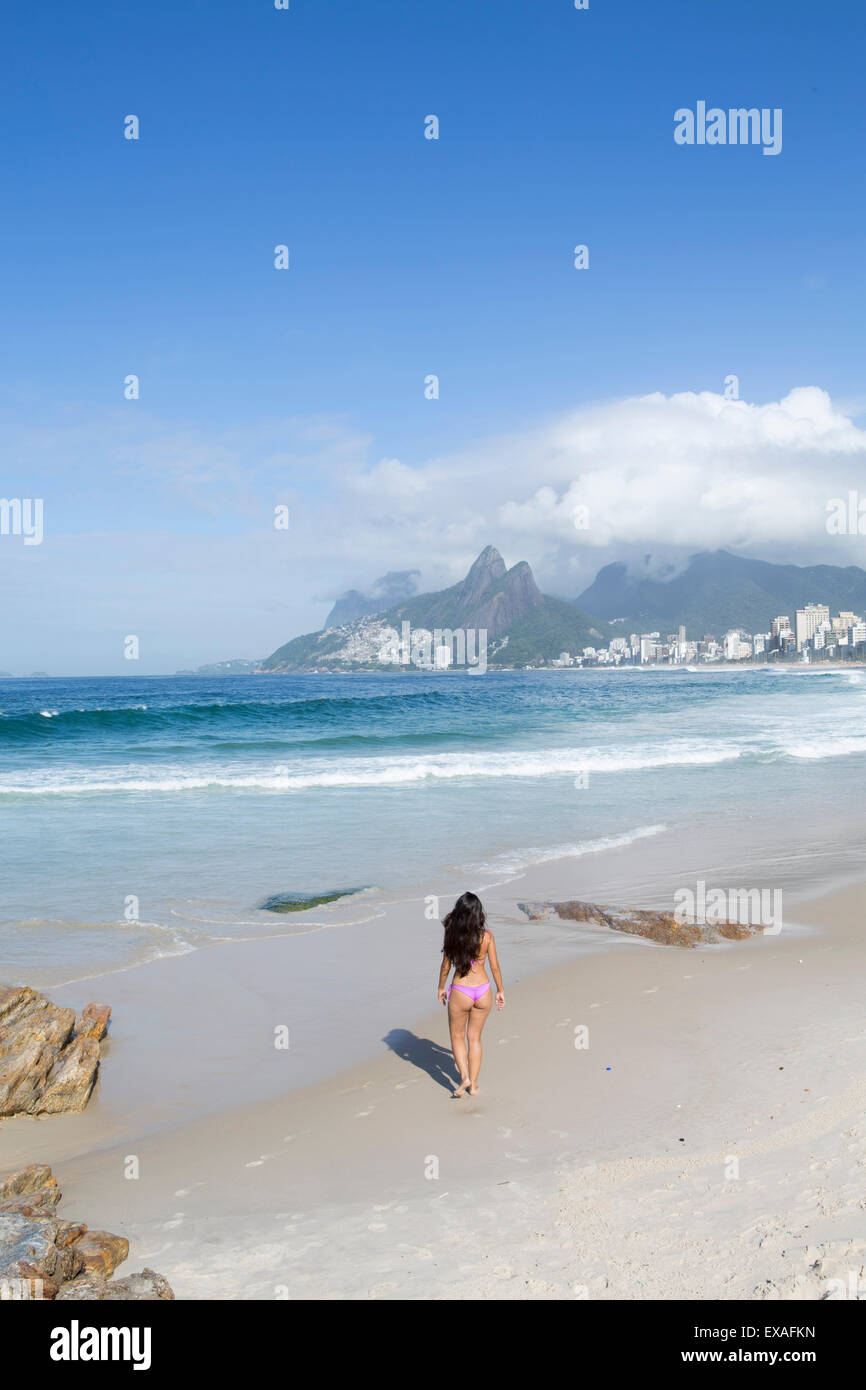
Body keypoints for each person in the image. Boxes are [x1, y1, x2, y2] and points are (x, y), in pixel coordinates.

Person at [436, 891, 505, 1096]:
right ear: (478, 913)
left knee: (457, 1036)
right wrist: (500, 990)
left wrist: (441, 987)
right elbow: (495, 968)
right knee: (474, 1038)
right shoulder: (487, 936)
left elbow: (446, 966)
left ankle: (464, 1078)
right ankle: (474, 1085)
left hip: (461, 991)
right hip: (483, 990)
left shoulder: (451, 934)